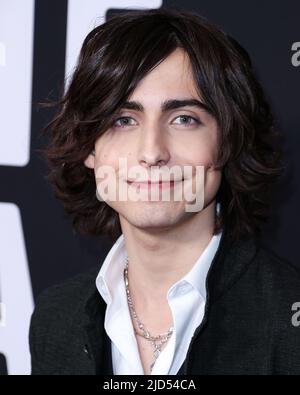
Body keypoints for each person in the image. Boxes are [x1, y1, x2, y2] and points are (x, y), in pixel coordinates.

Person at [30, 8, 300, 375]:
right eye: (123, 120)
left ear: (226, 143)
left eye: (184, 119)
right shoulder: (54, 320)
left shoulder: (288, 322)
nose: (152, 152)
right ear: (90, 150)